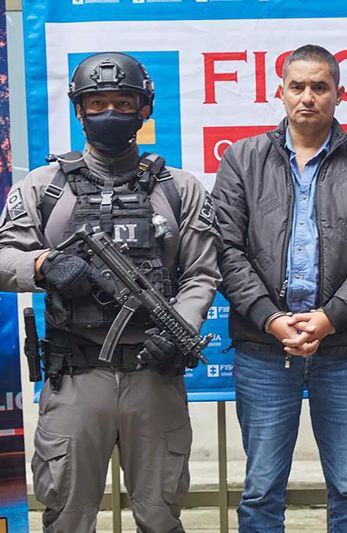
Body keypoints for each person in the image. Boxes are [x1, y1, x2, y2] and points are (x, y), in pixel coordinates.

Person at [0, 52, 221, 532]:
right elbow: (2, 258)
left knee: (160, 515)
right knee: (69, 516)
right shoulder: (45, 187)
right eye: (97, 103)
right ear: (79, 110)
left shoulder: (179, 187)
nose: (110, 113)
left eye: (124, 103)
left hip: (154, 375)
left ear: (145, 110)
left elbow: (202, 274)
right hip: (76, 377)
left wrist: (181, 327)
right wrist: (44, 264)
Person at [212, 44, 347, 532]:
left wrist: (328, 317)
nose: (308, 97)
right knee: (259, 492)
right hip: (263, 350)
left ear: (339, 94)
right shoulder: (241, 158)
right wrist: (271, 319)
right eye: (298, 86)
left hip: (344, 348)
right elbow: (225, 251)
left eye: (320, 87)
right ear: (280, 92)